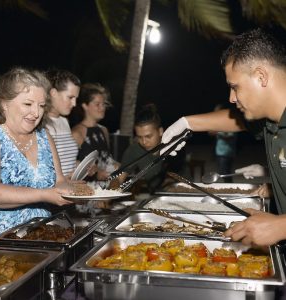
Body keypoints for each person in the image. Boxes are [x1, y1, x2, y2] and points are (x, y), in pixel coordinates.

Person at [161, 28, 286, 247]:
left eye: (235, 87)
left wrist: (280, 226)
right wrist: (187, 123)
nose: (231, 97)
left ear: (261, 76)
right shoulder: (271, 121)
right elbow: (237, 121)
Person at [0, 67, 73, 240]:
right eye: (28, 104)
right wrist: (43, 194)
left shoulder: (44, 136)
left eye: (41, 106)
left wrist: (75, 192)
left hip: (42, 237)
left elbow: (59, 181)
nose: (36, 113)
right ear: (4, 103)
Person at [71, 83, 119, 188]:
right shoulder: (77, 133)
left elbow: (107, 160)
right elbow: (70, 168)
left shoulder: (103, 130)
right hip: (86, 191)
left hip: (105, 189)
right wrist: (95, 172)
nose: (102, 108)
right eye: (97, 104)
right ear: (85, 106)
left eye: (104, 104)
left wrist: (119, 168)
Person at [118, 104, 166, 193]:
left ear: (160, 131)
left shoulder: (174, 147)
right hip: (154, 198)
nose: (144, 142)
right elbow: (118, 178)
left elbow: (171, 182)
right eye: (140, 137)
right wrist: (109, 193)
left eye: (148, 136)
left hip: (185, 195)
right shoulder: (134, 150)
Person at [45, 69, 80, 177]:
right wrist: (65, 179)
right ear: (53, 93)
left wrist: (79, 166)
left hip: (68, 189)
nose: (74, 104)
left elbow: (65, 161)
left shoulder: (64, 121)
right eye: (70, 97)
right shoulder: (39, 125)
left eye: (76, 98)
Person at [211, 104, 237, 182]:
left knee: (225, 174)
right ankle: (229, 187)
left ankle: (230, 188)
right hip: (219, 151)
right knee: (223, 173)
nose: (215, 114)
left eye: (217, 112)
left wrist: (218, 133)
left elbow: (231, 136)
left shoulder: (230, 121)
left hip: (227, 152)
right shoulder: (219, 122)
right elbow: (211, 132)